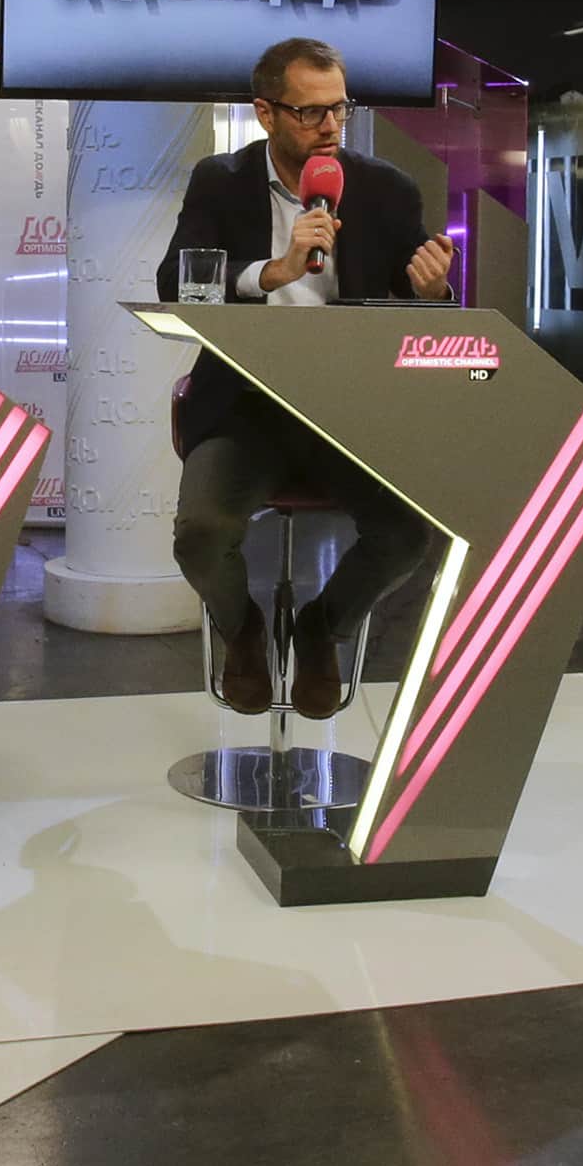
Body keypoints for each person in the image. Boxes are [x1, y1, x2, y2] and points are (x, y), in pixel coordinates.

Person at [156, 38, 455, 717]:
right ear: (265, 113)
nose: (329, 127)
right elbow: (175, 284)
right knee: (200, 531)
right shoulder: (221, 180)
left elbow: (419, 298)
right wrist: (271, 273)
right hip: (246, 407)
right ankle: (244, 629)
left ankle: (323, 627)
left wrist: (433, 291)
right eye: (309, 112)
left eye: (339, 109)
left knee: (409, 534)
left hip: (351, 410)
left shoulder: (385, 187)